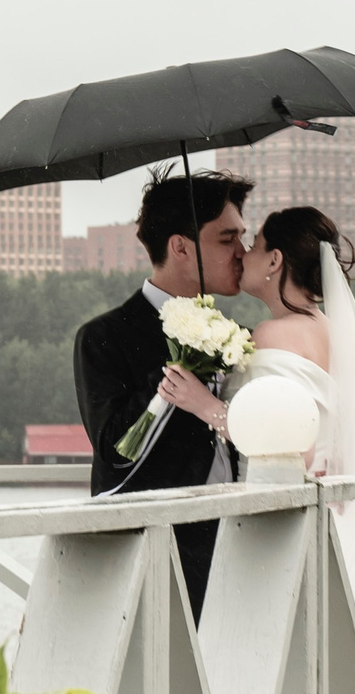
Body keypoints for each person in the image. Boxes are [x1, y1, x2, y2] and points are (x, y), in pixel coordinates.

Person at [74, 168, 251, 613]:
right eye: (227, 240)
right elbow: (115, 451)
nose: (243, 253)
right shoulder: (105, 336)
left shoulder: (237, 335)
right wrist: (178, 362)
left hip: (243, 554)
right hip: (150, 564)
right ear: (180, 248)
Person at [232, 205, 355, 573]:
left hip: (289, 518)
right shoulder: (333, 331)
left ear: (274, 261)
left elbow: (291, 447)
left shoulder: (273, 334)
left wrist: (204, 406)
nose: (244, 254)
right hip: (336, 513)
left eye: (254, 245)